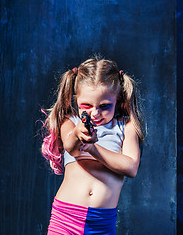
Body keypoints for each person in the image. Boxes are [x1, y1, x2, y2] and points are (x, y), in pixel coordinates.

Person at [41, 57, 145, 235]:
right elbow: (71, 147)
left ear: (118, 100)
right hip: (66, 217)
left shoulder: (126, 126)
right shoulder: (70, 121)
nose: (95, 113)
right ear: (76, 100)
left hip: (102, 222)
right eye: (86, 105)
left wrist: (92, 148)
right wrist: (77, 134)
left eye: (104, 106)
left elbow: (131, 167)